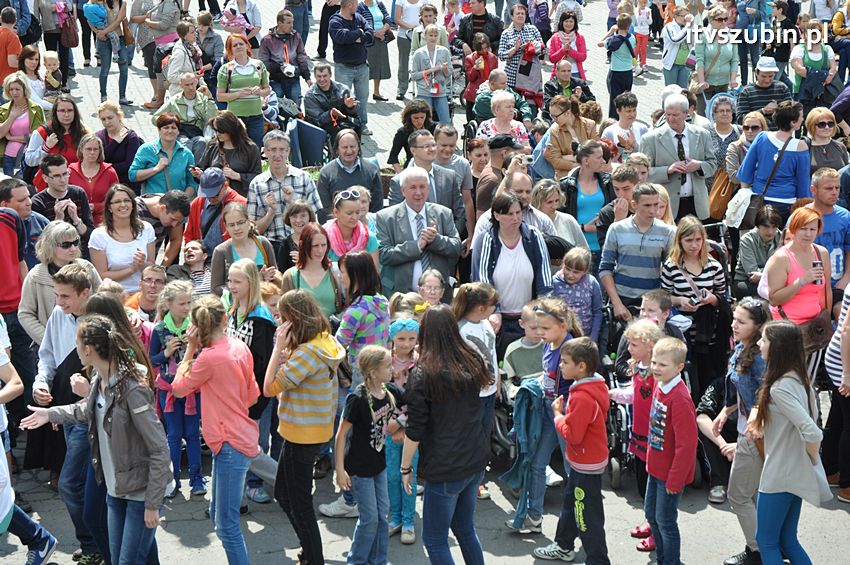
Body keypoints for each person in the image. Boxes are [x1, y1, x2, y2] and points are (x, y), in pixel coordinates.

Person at [24, 312, 171, 565]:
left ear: (89, 349)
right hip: (116, 491)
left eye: (77, 343)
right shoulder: (98, 380)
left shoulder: (132, 389)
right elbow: (85, 409)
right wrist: (50, 414)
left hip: (140, 493)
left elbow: (159, 448)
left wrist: (152, 502)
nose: (76, 350)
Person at [172, 295, 260, 564]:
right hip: (235, 439)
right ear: (224, 319)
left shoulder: (208, 358)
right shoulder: (239, 347)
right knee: (219, 515)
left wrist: (189, 349)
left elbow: (178, 387)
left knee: (227, 527)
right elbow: (253, 395)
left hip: (228, 443)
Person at [399, 305, 490, 564]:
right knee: (465, 529)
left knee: (436, 541)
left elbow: (414, 429)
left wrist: (406, 468)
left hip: (445, 467)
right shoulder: (470, 361)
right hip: (473, 459)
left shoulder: (423, 374)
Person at [264, 290, 344, 565]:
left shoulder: (308, 352)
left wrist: (277, 348)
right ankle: (309, 553)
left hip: (302, 433)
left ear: (293, 319)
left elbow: (269, 387)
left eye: (282, 318)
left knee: (299, 503)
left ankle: (313, 558)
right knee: (283, 494)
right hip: (306, 429)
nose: (279, 323)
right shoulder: (324, 339)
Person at [30, 263, 100, 563]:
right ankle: (95, 544)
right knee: (81, 484)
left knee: (71, 484)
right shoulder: (58, 315)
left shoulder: (101, 319)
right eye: (56, 295)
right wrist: (40, 382)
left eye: (65, 296)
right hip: (66, 413)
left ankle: (94, 544)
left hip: (92, 415)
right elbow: (46, 356)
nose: (59, 303)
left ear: (85, 293)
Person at [750, 320, 826, 564]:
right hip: (795, 473)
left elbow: (813, 432)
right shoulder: (801, 380)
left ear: (777, 347)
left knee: (767, 541)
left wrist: (813, 456)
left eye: (764, 339)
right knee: (788, 540)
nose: (759, 343)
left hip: (779, 476)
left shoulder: (779, 388)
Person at [507, 297, 581, 539]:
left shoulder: (571, 348)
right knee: (537, 464)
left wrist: (567, 408)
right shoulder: (548, 345)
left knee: (573, 468)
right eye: (537, 327)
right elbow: (547, 377)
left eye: (545, 328)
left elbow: (582, 383)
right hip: (548, 411)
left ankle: (579, 522)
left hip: (566, 413)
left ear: (563, 325)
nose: (539, 333)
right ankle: (534, 517)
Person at [539, 338, 610, 564]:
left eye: (565, 362)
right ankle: (563, 545)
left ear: (581, 366)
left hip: (585, 463)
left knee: (586, 516)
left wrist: (558, 416)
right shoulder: (594, 385)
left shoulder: (581, 396)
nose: (560, 366)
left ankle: (598, 559)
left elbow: (573, 434)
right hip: (585, 461)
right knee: (571, 502)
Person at [333, 345, 397, 564]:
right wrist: (340, 471)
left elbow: (412, 404)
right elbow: (341, 436)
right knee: (369, 518)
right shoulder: (358, 398)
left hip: (379, 465)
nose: (392, 369)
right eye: (388, 366)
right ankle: (357, 561)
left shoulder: (387, 393)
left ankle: (378, 560)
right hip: (359, 469)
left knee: (382, 516)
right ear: (373, 372)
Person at [471, 191, 552, 353]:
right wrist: (495, 311)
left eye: (518, 213)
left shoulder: (534, 236)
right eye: (509, 214)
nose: (516, 218)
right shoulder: (486, 239)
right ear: (497, 215)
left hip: (530, 320)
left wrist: (540, 313)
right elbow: (482, 281)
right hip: (497, 320)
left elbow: (545, 280)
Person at [661, 216, 729, 399]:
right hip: (683, 334)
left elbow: (723, 299)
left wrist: (711, 299)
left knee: (711, 379)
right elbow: (664, 296)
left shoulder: (713, 266)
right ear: (680, 241)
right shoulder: (671, 267)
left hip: (710, 333)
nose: (694, 245)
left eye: (698, 240)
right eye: (689, 240)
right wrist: (679, 300)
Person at [643, 337, 698, 565]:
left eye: (662, 365)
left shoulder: (680, 399)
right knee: (652, 517)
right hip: (655, 470)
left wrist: (675, 480)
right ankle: (663, 558)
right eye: (654, 362)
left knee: (666, 522)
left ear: (679, 367)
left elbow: (687, 446)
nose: (656, 368)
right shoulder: (660, 383)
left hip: (669, 476)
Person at [376, 166, 463, 297]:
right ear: (403, 190)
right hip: (401, 295)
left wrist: (436, 240)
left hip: (437, 297)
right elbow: (384, 255)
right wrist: (417, 246)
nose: (418, 192)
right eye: (413, 187)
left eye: (422, 187)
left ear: (428, 189)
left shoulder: (443, 213)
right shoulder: (386, 217)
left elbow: (456, 248)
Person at [765, 206, 832, 377]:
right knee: (786, 380)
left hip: (814, 329)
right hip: (788, 330)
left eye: (812, 229)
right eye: (803, 228)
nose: (808, 234)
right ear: (794, 228)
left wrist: (826, 318)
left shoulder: (821, 253)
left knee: (808, 380)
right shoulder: (781, 258)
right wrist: (801, 281)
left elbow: (826, 290)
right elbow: (774, 298)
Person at [600, 183, 676, 321]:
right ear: (634, 205)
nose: (653, 211)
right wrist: (617, 304)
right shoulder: (616, 229)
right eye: (647, 206)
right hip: (623, 301)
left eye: (656, 205)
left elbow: (671, 270)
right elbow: (605, 269)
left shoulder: (668, 231)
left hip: (652, 302)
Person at [453, 282, 499, 500]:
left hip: (489, 391)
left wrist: (497, 382)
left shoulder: (486, 324)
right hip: (473, 395)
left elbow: (492, 354)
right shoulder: (461, 329)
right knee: (471, 438)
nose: (495, 309)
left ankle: (478, 478)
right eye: (492, 305)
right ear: (481, 308)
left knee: (484, 436)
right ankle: (471, 480)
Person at [642, 93, 718, 221]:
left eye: (675, 115)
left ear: (686, 113)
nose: (671, 119)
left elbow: (712, 165)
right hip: (666, 206)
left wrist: (699, 166)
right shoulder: (650, 139)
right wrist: (667, 170)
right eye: (668, 114)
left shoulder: (702, 134)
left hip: (696, 204)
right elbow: (643, 174)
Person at [249, 130, 321, 252]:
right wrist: (271, 212)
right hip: (271, 245)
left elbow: (314, 222)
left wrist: (292, 203)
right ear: (265, 152)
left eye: (282, 150)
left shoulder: (304, 178)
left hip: (302, 242)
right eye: (273, 150)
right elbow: (254, 231)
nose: (278, 154)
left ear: (288, 151)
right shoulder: (257, 184)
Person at [387, 129, 466, 236]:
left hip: (446, 244)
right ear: (413, 151)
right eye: (426, 146)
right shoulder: (399, 181)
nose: (432, 149)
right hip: (414, 244)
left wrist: (449, 238)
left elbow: (459, 212)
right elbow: (396, 217)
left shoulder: (449, 176)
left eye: (433, 145)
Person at [88, 184, 157, 295]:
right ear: (109, 207)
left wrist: (142, 264)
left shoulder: (147, 229)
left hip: (143, 293)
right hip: (114, 295)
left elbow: (151, 266)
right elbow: (101, 275)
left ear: (133, 204)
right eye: (117, 202)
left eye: (127, 200)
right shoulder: (99, 235)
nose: (123, 204)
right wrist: (132, 270)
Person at [558, 140, 614, 263]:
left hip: (604, 248)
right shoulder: (566, 185)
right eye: (599, 157)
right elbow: (558, 220)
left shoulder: (608, 182)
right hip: (576, 251)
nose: (604, 161)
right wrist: (583, 228)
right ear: (586, 161)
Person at [216, 33, 271, 149]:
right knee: (236, 149)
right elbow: (220, 96)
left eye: (241, 43)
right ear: (230, 50)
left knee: (255, 149)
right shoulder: (226, 69)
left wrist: (260, 92)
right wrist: (239, 94)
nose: (239, 47)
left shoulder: (258, 65)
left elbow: (267, 89)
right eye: (235, 45)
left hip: (256, 115)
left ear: (247, 45)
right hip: (236, 117)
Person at [210, 203, 277, 296]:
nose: (237, 228)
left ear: (249, 222)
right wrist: (253, 281)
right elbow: (216, 288)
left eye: (240, 222)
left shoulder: (263, 243)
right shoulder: (221, 251)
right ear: (226, 227)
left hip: (264, 303)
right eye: (232, 225)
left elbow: (276, 277)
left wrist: (269, 277)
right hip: (237, 306)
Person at [24, 94, 88, 191]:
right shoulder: (42, 132)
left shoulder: (83, 132)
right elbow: (29, 160)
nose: (66, 115)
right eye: (62, 111)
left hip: (76, 187)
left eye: (70, 110)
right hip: (48, 190)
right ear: (55, 112)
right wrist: (46, 148)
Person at [316, 129, 383, 221]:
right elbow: (325, 208)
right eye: (344, 147)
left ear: (358, 147)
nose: (349, 151)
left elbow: (377, 204)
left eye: (352, 146)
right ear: (337, 149)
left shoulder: (371, 170)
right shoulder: (326, 173)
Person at [30, 155, 95, 250]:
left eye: (65, 174)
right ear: (45, 178)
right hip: (55, 255)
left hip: (82, 251)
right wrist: (58, 221)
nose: (63, 180)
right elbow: (42, 245)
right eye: (56, 176)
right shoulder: (38, 202)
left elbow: (91, 234)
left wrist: (76, 219)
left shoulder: (78, 193)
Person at [329, 0, 374, 136]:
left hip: (362, 66)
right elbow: (342, 38)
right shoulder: (335, 22)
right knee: (343, 99)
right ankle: (343, 125)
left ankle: (363, 124)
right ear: (349, 4)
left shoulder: (359, 17)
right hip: (344, 67)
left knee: (362, 97)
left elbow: (370, 35)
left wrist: (355, 36)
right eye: (355, 3)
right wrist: (359, 32)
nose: (358, 5)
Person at [129, 112, 198, 197]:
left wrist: (182, 201)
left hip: (177, 206)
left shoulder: (186, 154)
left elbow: (191, 183)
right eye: (166, 127)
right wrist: (156, 169)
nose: (170, 131)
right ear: (159, 130)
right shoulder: (146, 150)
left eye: (173, 128)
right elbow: (132, 175)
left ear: (178, 131)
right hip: (153, 204)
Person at [195, 110, 262, 198]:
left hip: (239, 200)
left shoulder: (250, 149)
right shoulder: (212, 146)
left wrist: (238, 176)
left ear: (231, 129)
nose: (218, 134)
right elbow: (203, 168)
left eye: (221, 131)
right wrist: (199, 175)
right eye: (216, 130)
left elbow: (258, 178)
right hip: (215, 199)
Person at [152, 72, 217, 162]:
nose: (190, 88)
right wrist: (170, 121)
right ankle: (184, 169)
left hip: (197, 130)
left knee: (202, 142)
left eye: (192, 84)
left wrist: (210, 98)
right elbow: (155, 118)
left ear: (196, 82)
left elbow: (212, 118)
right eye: (187, 85)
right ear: (181, 85)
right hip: (180, 130)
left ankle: (197, 170)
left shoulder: (203, 99)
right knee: (185, 143)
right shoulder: (174, 100)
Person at [824, 282, 850, 503]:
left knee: (839, 417)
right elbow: (847, 331)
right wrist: (847, 374)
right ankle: (847, 485)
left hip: (840, 360)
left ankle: (831, 470)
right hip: (844, 362)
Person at [184, 167, 247, 253]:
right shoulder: (197, 203)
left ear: (225, 185)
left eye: (215, 195)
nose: (210, 199)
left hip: (230, 258)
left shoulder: (241, 203)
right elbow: (189, 235)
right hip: (202, 259)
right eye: (206, 194)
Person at [259, 9, 311, 106]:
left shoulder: (296, 37)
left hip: (293, 79)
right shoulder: (267, 40)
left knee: (296, 108)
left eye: (292, 22)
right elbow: (263, 63)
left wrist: (307, 77)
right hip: (276, 80)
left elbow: (302, 57)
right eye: (288, 23)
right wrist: (279, 67)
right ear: (280, 23)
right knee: (276, 108)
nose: (292, 25)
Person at [693, 6, 739, 115]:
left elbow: (734, 60)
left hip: (723, 84)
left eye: (725, 19)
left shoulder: (731, 37)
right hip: (706, 84)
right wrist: (702, 81)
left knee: (721, 115)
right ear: (711, 20)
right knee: (703, 115)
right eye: (719, 19)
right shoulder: (702, 36)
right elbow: (700, 59)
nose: (723, 22)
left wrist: (733, 80)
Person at [551, 247, 602, 342]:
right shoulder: (555, 283)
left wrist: (593, 337)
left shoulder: (592, 283)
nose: (570, 274)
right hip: (561, 337)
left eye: (576, 272)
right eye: (567, 269)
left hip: (584, 337)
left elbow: (597, 311)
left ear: (585, 271)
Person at [68, 133, 119, 227]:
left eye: (95, 149)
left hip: (104, 222)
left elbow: (117, 200)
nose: (92, 152)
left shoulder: (110, 172)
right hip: (76, 221)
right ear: (81, 150)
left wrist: (96, 207)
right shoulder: (70, 171)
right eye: (88, 149)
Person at [0, 72, 45, 178]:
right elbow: (1, 134)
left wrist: (12, 137)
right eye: (11, 89)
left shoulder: (36, 109)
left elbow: (37, 136)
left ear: (24, 89)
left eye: (17, 89)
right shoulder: (4, 109)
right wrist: (12, 116)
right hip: (8, 157)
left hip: (28, 156)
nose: (14, 93)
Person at [734, 205, 783, 299]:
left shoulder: (781, 237)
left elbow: (786, 268)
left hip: (772, 280)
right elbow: (751, 273)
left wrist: (761, 275)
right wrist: (776, 273)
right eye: (766, 227)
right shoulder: (747, 240)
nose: (770, 231)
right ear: (758, 225)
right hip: (746, 281)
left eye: (774, 227)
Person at [96, 101, 145, 193]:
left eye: (110, 118)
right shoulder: (99, 136)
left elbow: (129, 165)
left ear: (118, 116)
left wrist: (104, 168)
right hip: (105, 185)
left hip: (128, 186)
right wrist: (115, 142)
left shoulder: (131, 137)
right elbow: (100, 159)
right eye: (103, 119)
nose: (107, 122)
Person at [304, 62, 363, 138]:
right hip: (322, 126)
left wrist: (350, 107)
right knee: (339, 132)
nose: (322, 79)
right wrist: (330, 114)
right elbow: (317, 120)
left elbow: (357, 110)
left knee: (356, 123)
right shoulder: (310, 95)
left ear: (330, 75)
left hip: (341, 121)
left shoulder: (343, 89)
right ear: (315, 76)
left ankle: (356, 148)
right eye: (319, 76)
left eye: (325, 76)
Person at [544, 95, 596, 179]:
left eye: (555, 116)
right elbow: (555, 161)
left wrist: (567, 157)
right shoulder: (554, 130)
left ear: (567, 113)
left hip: (590, 176)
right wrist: (576, 165)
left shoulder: (589, 125)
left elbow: (596, 153)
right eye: (551, 116)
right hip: (566, 178)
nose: (553, 120)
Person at [324, 188, 380, 266]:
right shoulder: (324, 237)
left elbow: (374, 274)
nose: (354, 217)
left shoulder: (369, 237)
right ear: (336, 212)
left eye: (357, 212)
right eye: (349, 213)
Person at [409, 23, 452, 124]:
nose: (433, 38)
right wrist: (431, 70)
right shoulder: (419, 53)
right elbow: (414, 76)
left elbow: (449, 74)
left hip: (440, 91)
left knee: (446, 121)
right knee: (424, 122)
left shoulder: (444, 51)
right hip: (424, 91)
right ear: (425, 36)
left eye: (435, 35)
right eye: (430, 35)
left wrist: (445, 69)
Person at [0, 178, 46, 269]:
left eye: (28, 197)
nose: (29, 202)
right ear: (4, 205)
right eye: (22, 200)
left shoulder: (42, 223)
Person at [735, 57, 793, 130]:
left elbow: (792, 115)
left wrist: (778, 109)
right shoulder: (746, 92)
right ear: (756, 72)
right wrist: (763, 111)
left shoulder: (782, 88)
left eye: (770, 76)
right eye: (763, 76)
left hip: (779, 135)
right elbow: (740, 120)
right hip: (755, 135)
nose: (767, 80)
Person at [137, 191, 190, 269]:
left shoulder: (175, 208)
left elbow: (175, 239)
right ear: (162, 208)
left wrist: (163, 267)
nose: (174, 225)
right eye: (172, 219)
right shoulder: (135, 211)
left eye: (179, 222)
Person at [498, 3, 544, 92]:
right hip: (512, 77)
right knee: (512, 104)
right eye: (517, 13)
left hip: (530, 76)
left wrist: (530, 47)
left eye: (522, 13)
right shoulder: (506, 33)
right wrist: (515, 48)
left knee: (531, 105)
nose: (520, 15)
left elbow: (542, 50)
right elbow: (501, 55)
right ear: (512, 16)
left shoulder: (533, 29)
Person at [531, 179, 587, 249]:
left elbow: (584, 250)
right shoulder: (530, 223)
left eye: (556, 200)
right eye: (549, 202)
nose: (555, 206)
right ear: (538, 202)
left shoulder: (569, 220)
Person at [705, 96, 741, 193]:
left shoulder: (740, 132)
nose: (725, 113)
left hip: (734, 188)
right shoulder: (705, 132)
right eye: (721, 111)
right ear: (714, 114)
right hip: (709, 188)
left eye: (728, 110)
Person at [358, 0, 391, 102]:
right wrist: (374, 33)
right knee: (367, 66)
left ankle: (376, 92)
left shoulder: (379, 4)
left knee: (379, 65)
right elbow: (359, 24)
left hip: (381, 39)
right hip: (369, 40)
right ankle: (362, 94)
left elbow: (387, 19)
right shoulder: (360, 6)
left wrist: (383, 31)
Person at [388, 100, 435, 173]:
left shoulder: (434, 128)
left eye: (422, 117)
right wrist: (401, 175)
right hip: (411, 168)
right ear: (409, 117)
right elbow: (393, 157)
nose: (419, 121)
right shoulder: (403, 132)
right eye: (416, 118)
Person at [599, 92, 646, 164]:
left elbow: (647, 156)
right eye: (628, 111)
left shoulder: (642, 129)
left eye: (634, 110)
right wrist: (621, 146)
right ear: (618, 110)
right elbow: (605, 161)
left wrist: (634, 144)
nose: (632, 114)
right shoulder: (609, 132)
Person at [463, 33, 499, 122]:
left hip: (488, 93)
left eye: (486, 48)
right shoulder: (469, 58)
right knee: (472, 120)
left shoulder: (493, 57)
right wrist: (475, 68)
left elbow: (495, 75)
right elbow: (470, 78)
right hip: (473, 94)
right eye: (481, 49)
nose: (484, 50)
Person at [805, 107, 849, 176]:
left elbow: (846, 173)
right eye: (822, 124)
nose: (827, 127)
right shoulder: (804, 147)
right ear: (812, 126)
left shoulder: (840, 146)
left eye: (830, 124)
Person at [547, 11, 588, 82]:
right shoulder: (555, 37)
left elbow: (583, 57)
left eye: (571, 21)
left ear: (575, 23)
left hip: (575, 73)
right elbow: (552, 59)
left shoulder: (580, 37)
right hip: (559, 74)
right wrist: (563, 50)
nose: (568, 24)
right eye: (566, 21)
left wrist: (570, 51)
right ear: (562, 22)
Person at [661, 7, 693, 88]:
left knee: (683, 92)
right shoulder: (669, 26)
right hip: (671, 64)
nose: (686, 19)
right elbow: (675, 40)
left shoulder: (689, 27)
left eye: (687, 16)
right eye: (683, 16)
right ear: (675, 16)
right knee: (671, 92)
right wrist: (688, 26)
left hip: (685, 65)